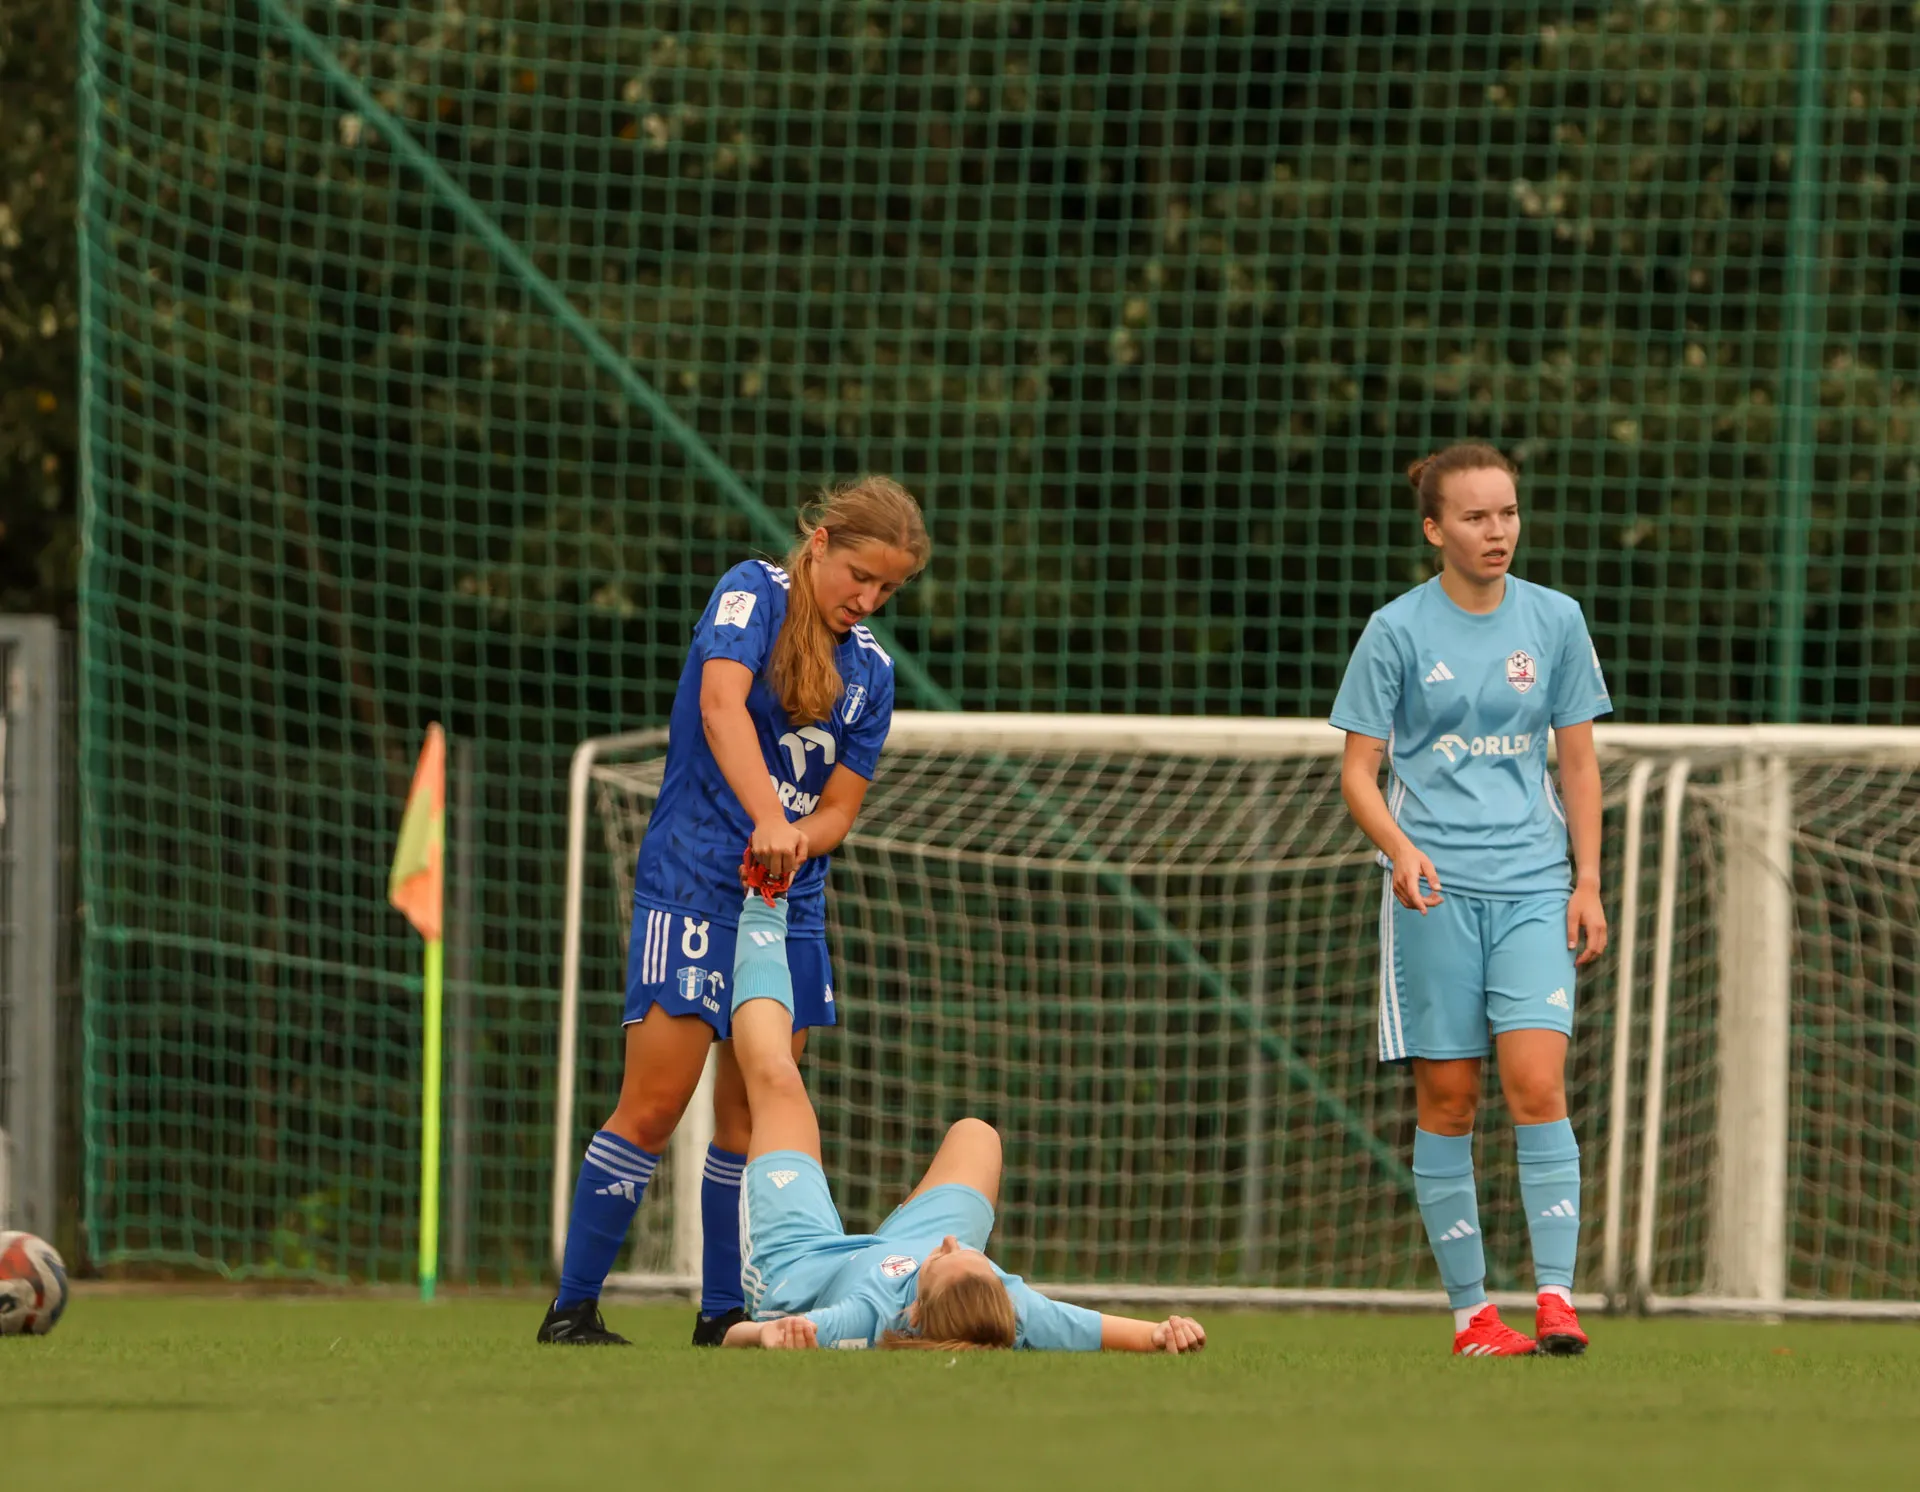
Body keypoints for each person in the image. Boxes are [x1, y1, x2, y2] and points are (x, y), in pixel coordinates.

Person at [538, 477, 930, 1346]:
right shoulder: (752, 592)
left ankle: (722, 1314)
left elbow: (839, 811)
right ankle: (571, 1311)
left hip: (787, 906)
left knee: (752, 1116)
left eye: (889, 588)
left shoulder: (873, 672)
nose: (868, 600)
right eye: (861, 575)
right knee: (653, 1106)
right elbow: (720, 709)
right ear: (821, 543)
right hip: (693, 882)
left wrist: (796, 838)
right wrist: (767, 818)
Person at [1329, 444, 1611, 1357]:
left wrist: (1587, 881)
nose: (1498, 531)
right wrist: (1401, 849)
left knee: (1538, 1084)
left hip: (1534, 885)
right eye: (1476, 517)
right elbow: (1359, 773)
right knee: (1450, 1102)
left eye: (1508, 513)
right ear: (1434, 529)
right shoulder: (1396, 630)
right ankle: (1473, 1318)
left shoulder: (1556, 619)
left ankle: (1557, 1298)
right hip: (1434, 894)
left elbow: (1578, 764)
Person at [717, 888, 1208, 1354]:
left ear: (912, 1314)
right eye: (976, 1258)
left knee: (778, 1079)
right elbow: (1128, 1333)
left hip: (808, 1262)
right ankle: (922, 1253)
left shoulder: (864, 1315)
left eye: (946, 1257)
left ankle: (763, 902)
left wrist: (769, 1333)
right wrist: (1167, 1331)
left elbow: (736, 1336)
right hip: (905, 1247)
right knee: (977, 1135)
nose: (953, 1242)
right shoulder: (1009, 1306)